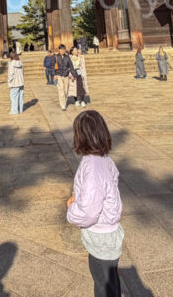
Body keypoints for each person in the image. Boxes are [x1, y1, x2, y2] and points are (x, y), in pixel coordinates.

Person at [66, 111, 123, 297]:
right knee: (110, 281)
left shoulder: (92, 166)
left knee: (103, 284)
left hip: (101, 234)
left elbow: (89, 211)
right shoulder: (104, 159)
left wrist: (72, 207)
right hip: (109, 230)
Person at [54, 44, 76, 111]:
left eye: (64, 49)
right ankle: (62, 105)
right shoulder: (56, 57)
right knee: (61, 90)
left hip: (66, 75)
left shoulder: (67, 57)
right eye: (61, 49)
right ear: (59, 50)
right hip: (59, 74)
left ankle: (65, 101)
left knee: (66, 90)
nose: (63, 51)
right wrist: (54, 74)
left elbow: (71, 66)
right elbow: (53, 66)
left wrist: (73, 75)